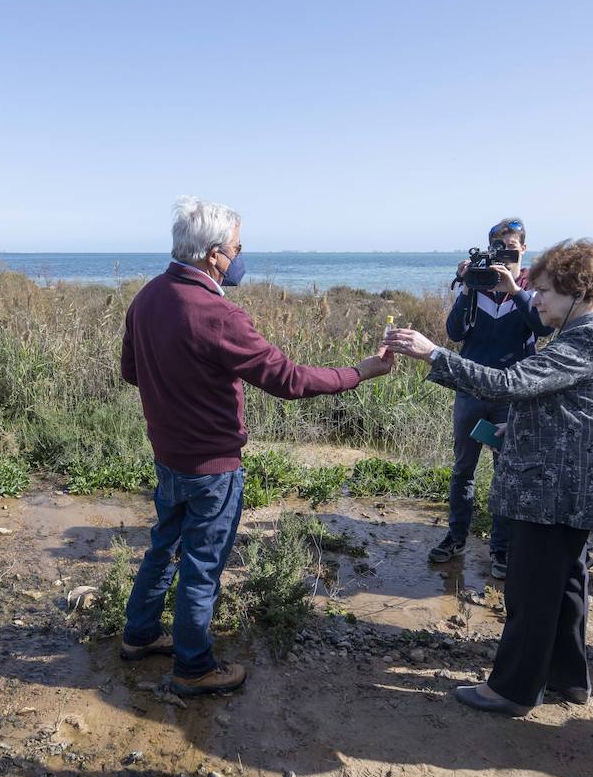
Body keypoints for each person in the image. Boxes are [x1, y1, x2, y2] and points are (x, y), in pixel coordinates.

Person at [119, 196, 394, 697]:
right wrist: (360, 371)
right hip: (214, 466)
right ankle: (193, 667)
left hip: (168, 456)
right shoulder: (220, 314)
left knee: (164, 545)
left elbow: (131, 372)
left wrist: (175, 398)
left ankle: (138, 636)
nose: (241, 256)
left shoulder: (147, 297)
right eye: (237, 248)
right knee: (203, 565)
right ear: (212, 255)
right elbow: (289, 380)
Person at [386, 239, 593, 716]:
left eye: (542, 291)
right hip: (570, 486)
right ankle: (566, 679)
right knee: (563, 587)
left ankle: (514, 689)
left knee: (531, 590)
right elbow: (570, 406)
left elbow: (508, 383)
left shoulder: (588, 338)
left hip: (554, 489)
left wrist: (433, 353)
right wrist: (515, 424)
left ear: (576, 290)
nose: (534, 300)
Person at [430, 217, 553, 579]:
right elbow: (455, 332)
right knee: (463, 470)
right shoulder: (477, 283)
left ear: (524, 249)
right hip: (471, 391)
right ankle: (456, 537)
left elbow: (543, 327)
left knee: (506, 473)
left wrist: (515, 288)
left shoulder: (534, 285)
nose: (504, 253)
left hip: (511, 394)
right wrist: (467, 287)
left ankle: (501, 548)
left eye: (511, 247)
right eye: (498, 247)